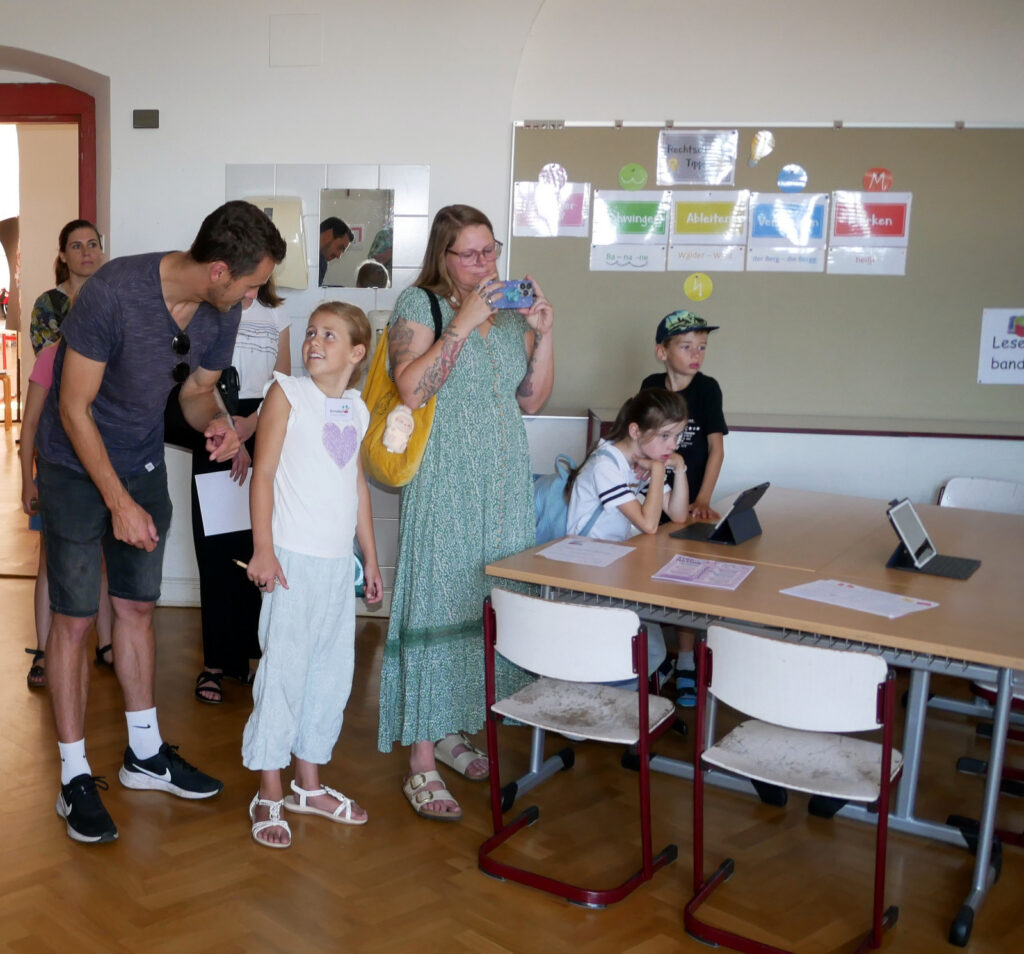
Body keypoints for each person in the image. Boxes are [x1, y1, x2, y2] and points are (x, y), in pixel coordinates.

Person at [34, 200, 286, 844]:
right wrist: (118, 503)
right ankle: (73, 774)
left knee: (137, 607)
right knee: (75, 619)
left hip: (140, 462)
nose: (254, 296)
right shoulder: (114, 292)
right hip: (72, 465)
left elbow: (196, 394)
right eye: (252, 283)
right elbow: (73, 407)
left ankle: (144, 754)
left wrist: (221, 426)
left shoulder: (222, 311)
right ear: (219, 270)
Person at [377, 204, 554, 822]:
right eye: (470, 254)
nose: (484, 264)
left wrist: (544, 332)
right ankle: (421, 759)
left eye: (490, 250)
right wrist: (461, 323)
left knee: (485, 604)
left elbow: (531, 400)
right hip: (445, 479)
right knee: (437, 602)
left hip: (503, 484)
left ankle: (451, 729)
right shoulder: (418, 305)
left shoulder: (509, 314)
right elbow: (410, 388)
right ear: (443, 256)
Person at [242, 302, 382, 848]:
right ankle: (269, 791)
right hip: (291, 562)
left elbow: (357, 486)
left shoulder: (357, 408)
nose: (314, 342)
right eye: (311, 333)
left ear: (356, 352)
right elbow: (263, 473)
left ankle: (309, 785)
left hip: (335, 567)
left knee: (330, 674)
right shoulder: (287, 393)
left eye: (329, 335)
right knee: (283, 672)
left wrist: (370, 557)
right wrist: (263, 549)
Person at [163, 277, 292, 704]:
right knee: (217, 551)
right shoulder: (207, 313)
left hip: (262, 427)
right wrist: (230, 431)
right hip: (214, 426)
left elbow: (283, 383)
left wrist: (253, 428)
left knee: (258, 547)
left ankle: (249, 659)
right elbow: (195, 384)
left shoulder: (277, 314)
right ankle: (215, 664)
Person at [565, 389, 690, 678]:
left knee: (652, 649)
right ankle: (616, 693)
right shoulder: (606, 464)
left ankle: (631, 691)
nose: (672, 445)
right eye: (665, 436)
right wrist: (658, 471)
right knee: (649, 650)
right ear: (635, 431)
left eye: (677, 436)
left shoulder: (640, 459)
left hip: (611, 565)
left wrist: (680, 468)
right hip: (583, 573)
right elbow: (649, 524)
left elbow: (678, 514)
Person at [638, 309, 728, 704]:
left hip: (688, 500)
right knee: (648, 572)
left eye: (702, 347)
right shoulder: (650, 386)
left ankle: (687, 661)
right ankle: (657, 658)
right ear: (662, 352)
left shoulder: (707, 389)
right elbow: (641, 439)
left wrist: (703, 499)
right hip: (654, 495)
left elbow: (715, 449)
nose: (696, 354)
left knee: (684, 580)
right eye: (687, 346)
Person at [20, 342, 113, 689]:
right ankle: (43, 650)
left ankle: (106, 644)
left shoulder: (109, 357)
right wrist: (27, 483)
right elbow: (29, 424)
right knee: (49, 561)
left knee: (101, 559)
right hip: (56, 478)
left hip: (98, 476)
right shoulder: (50, 357)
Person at [29, 219, 103, 354]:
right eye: (76, 246)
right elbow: (46, 358)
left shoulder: (117, 296)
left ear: (101, 252)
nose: (86, 252)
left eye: (92, 244)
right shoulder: (47, 304)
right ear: (63, 256)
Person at [318, 216, 354, 286]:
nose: (338, 256)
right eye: (339, 247)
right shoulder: (320, 261)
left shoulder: (322, 262)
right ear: (328, 235)